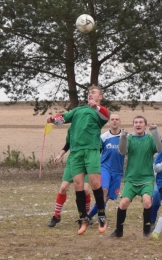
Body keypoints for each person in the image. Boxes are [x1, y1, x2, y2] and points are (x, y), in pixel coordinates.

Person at [47, 85, 109, 235]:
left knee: (94, 183)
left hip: (91, 150)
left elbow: (106, 115)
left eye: (93, 93)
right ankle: (83, 219)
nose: (90, 95)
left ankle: (101, 215)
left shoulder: (100, 112)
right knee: (78, 185)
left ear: (100, 97)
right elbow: (63, 117)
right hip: (75, 153)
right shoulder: (78, 110)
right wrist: (53, 119)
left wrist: (97, 107)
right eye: (88, 93)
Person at [109, 115, 162, 238]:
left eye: (141, 122)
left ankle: (146, 232)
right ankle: (118, 232)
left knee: (147, 202)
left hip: (146, 179)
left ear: (145, 125)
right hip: (131, 179)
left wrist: (155, 132)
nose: (138, 124)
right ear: (133, 125)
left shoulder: (150, 139)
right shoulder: (129, 138)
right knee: (123, 204)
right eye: (136, 122)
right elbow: (122, 151)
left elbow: (160, 148)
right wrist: (123, 136)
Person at [48, 128, 91, 227]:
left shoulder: (90, 126)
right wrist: (60, 155)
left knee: (84, 189)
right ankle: (56, 216)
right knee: (63, 188)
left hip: (87, 161)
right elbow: (68, 144)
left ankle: (85, 216)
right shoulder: (72, 129)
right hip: (73, 161)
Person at [88, 114, 125, 223]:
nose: (114, 121)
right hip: (105, 168)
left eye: (116, 119)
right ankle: (101, 216)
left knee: (107, 197)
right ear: (109, 122)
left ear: (120, 122)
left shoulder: (124, 136)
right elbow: (97, 152)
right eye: (112, 119)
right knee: (104, 189)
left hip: (118, 171)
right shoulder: (104, 137)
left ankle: (90, 215)